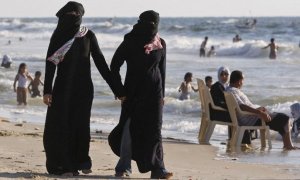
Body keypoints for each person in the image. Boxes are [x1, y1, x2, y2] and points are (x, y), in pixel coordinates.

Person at [43, 2, 115, 176]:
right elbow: (51, 63)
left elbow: (100, 62)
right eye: (71, 13)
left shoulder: (88, 35)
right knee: (63, 125)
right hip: (62, 89)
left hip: (84, 90)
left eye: (77, 13)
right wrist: (47, 90)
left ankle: (82, 160)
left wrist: (116, 88)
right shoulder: (58, 35)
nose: (74, 16)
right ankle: (64, 165)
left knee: (81, 126)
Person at [108, 10, 173, 179]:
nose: (152, 27)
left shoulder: (161, 43)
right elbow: (114, 66)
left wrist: (162, 96)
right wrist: (119, 91)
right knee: (129, 128)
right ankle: (123, 167)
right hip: (133, 92)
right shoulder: (130, 40)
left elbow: (162, 71)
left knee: (155, 130)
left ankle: (158, 168)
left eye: (154, 24)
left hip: (155, 94)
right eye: (149, 23)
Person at [226, 70, 297, 150]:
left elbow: (242, 106)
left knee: (281, 121)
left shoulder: (229, 90)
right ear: (239, 81)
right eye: (242, 80)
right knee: (285, 118)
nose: (242, 83)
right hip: (251, 119)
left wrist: (259, 109)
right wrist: (259, 112)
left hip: (251, 116)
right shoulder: (233, 91)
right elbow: (242, 106)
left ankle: (287, 145)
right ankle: (289, 145)